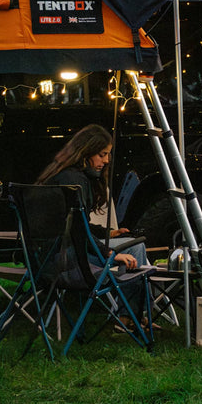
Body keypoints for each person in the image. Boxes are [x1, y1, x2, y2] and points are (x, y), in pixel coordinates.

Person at [36, 124, 153, 333]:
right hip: (65, 262)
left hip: (47, 258)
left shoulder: (64, 175)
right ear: (86, 151)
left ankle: (133, 316)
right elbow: (77, 231)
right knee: (134, 249)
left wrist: (107, 234)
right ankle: (130, 317)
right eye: (102, 155)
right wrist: (109, 253)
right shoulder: (75, 182)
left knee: (133, 245)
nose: (106, 161)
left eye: (107, 155)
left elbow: (74, 224)